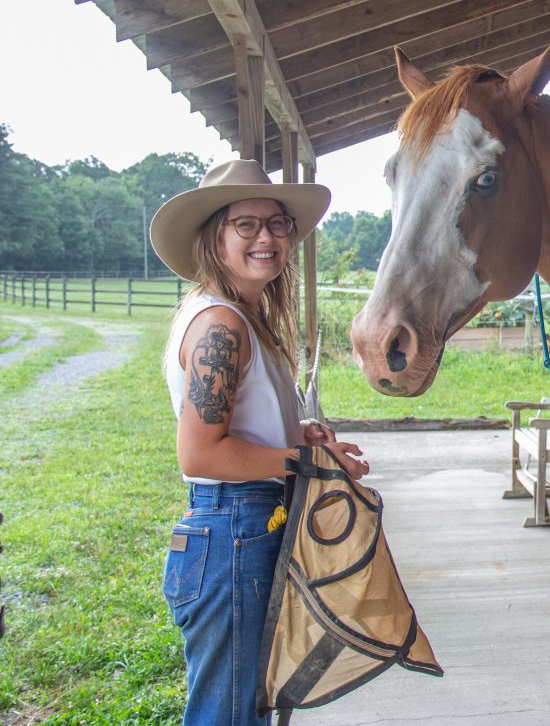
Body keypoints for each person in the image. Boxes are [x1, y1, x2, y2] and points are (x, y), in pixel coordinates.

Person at [151, 159, 370, 725]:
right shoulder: (219, 325)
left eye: (276, 224)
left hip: (249, 527)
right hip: (234, 532)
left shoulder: (239, 317)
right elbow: (200, 453)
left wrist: (295, 433)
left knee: (248, 707)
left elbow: (239, 426)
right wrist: (308, 460)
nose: (266, 238)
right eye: (245, 226)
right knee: (227, 714)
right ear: (214, 237)